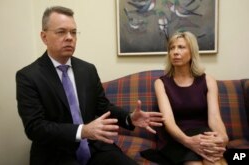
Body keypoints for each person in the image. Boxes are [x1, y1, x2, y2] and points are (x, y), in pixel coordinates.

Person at [16, 6, 163, 165]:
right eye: (61, 32)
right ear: (44, 37)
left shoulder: (87, 70)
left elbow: (103, 106)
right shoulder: (28, 76)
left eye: (73, 32)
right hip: (55, 152)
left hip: (94, 146)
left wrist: (128, 118)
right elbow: (35, 128)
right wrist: (83, 131)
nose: (69, 37)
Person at [140, 31, 229, 165]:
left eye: (181, 47)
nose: (175, 52)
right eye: (172, 48)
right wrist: (189, 142)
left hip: (202, 135)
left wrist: (223, 137)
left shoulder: (208, 80)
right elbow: (168, 122)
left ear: (192, 52)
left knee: (214, 161)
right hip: (176, 138)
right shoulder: (161, 83)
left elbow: (215, 118)